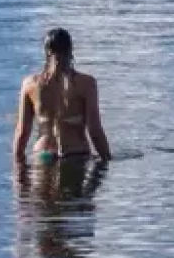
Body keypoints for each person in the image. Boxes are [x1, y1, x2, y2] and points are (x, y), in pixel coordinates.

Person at [14, 27, 111, 163]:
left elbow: (22, 132)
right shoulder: (86, 84)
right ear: (70, 50)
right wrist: (107, 159)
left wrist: (17, 167)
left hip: (43, 155)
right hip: (75, 155)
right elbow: (94, 130)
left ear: (46, 52)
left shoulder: (30, 84)